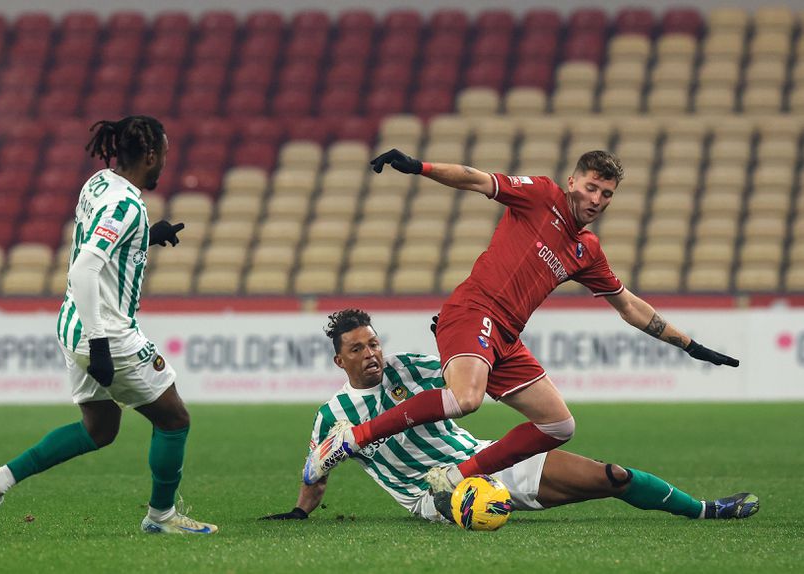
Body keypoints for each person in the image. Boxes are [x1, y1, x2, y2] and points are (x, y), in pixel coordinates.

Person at [304, 149, 739, 497]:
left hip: (506, 338)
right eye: (591, 188)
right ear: (573, 182)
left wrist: (688, 344)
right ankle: (353, 438)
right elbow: (477, 179)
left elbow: (627, 305)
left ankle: (456, 476)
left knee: (559, 425)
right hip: (475, 309)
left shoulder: (587, 250)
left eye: (607, 194)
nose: (596, 200)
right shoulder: (542, 195)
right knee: (467, 398)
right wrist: (420, 167)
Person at [0, 116, 217, 535]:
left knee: (99, 428)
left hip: (72, 322)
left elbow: (96, 241)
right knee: (174, 419)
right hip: (105, 330)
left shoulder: (99, 183)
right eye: (164, 154)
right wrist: (100, 344)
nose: (164, 163)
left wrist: (144, 237)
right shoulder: (126, 206)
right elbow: (84, 268)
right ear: (150, 155)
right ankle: (161, 517)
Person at [269, 310, 757, 524]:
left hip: (483, 459)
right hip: (429, 495)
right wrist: (300, 511)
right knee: (470, 507)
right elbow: (318, 473)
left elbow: (467, 373)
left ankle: (705, 509)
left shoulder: (410, 367)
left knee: (612, 476)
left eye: (374, 343)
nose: (371, 353)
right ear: (340, 360)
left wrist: (458, 342)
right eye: (358, 349)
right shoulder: (333, 415)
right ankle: (457, 508)